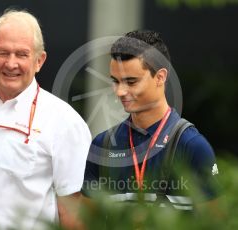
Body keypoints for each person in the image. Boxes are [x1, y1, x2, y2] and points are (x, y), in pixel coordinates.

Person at [0, 9, 91, 229]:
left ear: (39, 61)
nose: (11, 64)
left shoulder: (64, 121)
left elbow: (72, 211)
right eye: (3, 52)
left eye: (22, 54)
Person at [82, 30, 220, 211]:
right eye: (115, 81)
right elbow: (87, 222)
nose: (120, 92)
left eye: (131, 82)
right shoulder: (103, 145)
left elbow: (215, 222)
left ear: (160, 77)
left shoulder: (193, 146)